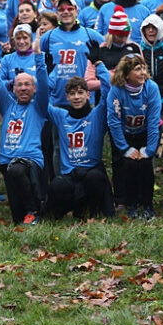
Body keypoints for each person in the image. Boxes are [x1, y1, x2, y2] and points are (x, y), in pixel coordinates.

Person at [0, 43, 50, 225]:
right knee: (16, 218)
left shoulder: (39, 107)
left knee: (17, 170)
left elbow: (43, 81)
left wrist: (38, 55)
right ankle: (26, 212)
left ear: (34, 89)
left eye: (28, 84)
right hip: (6, 159)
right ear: (14, 88)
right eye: (19, 85)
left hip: (28, 160)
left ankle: (34, 210)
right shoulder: (7, 105)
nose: (24, 88)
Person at [45, 75, 113, 219]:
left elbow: (107, 90)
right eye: (72, 93)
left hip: (92, 170)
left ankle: (93, 211)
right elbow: (42, 102)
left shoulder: (97, 114)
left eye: (80, 92)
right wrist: (40, 62)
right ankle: (67, 211)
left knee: (94, 178)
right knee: (57, 185)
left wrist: (98, 63)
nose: (76, 97)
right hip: (70, 173)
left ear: (88, 95)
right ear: (67, 97)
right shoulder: (61, 115)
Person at [106, 54, 161, 219]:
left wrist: (149, 149)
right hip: (125, 134)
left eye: (144, 68)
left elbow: (153, 121)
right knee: (128, 165)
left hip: (145, 133)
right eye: (138, 69)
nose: (143, 72)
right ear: (126, 73)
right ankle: (131, 204)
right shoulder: (116, 91)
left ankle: (147, 205)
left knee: (145, 165)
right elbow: (113, 121)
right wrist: (125, 148)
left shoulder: (151, 88)